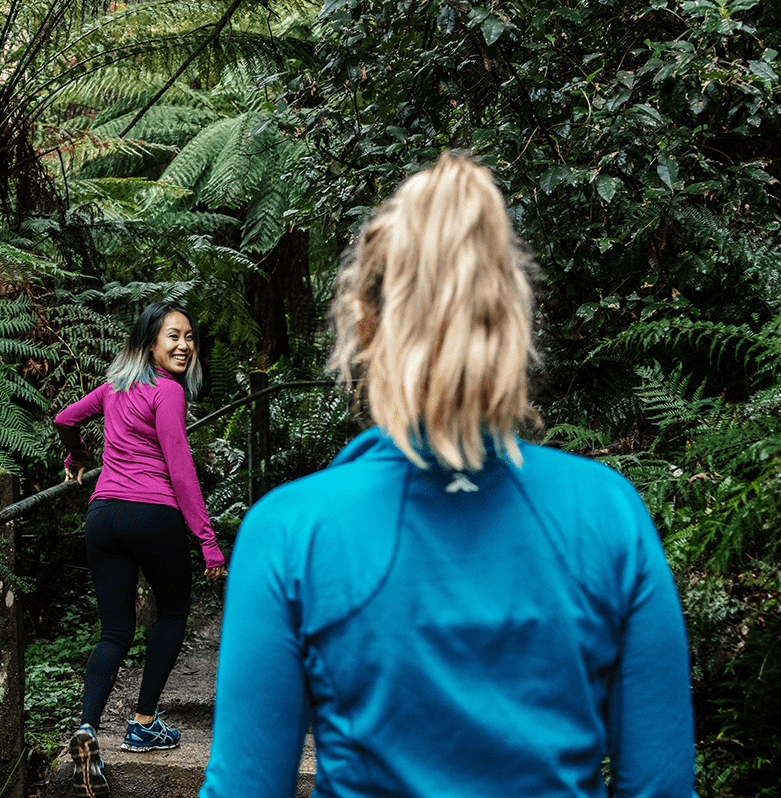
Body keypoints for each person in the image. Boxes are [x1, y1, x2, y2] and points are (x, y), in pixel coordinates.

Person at [199, 153, 695, 798]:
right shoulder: (607, 513)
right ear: (511, 316)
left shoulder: (292, 531)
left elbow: (245, 788)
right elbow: (659, 787)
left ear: (362, 322)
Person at [53, 302, 229, 796]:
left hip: (103, 515)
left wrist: (78, 456)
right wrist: (208, 541)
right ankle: (143, 723)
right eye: (173, 336)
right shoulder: (168, 393)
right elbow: (179, 468)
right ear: (149, 343)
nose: (184, 345)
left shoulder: (114, 389)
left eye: (189, 336)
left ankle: (88, 727)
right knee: (173, 611)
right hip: (152, 513)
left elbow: (66, 418)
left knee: (114, 630)